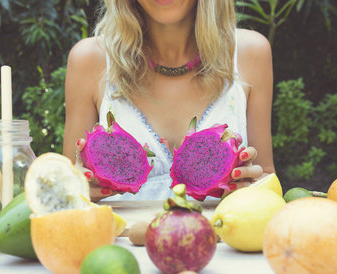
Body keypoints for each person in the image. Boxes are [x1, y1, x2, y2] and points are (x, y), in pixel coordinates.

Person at [63, 0, 274, 201]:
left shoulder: (250, 53)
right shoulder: (89, 60)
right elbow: (66, 197)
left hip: (220, 238)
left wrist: (252, 182)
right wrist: (78, 188)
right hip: (116, 238)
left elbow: (268, 185)